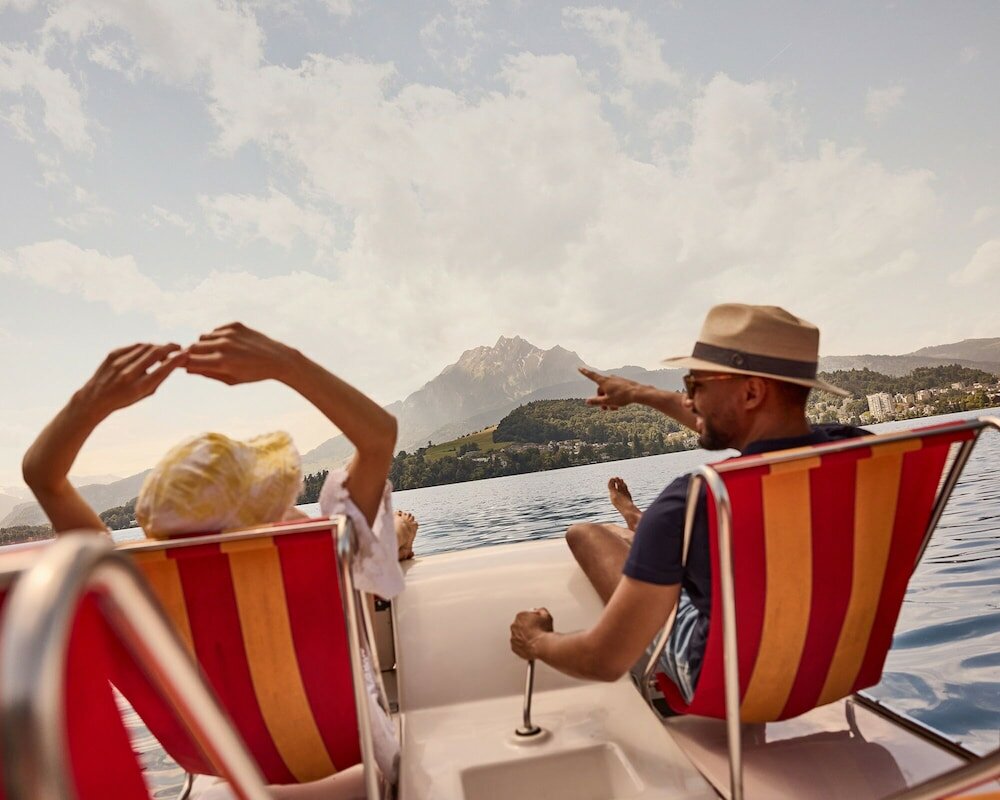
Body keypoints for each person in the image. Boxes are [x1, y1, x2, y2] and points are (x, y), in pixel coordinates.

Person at [22, 322, 410, 800]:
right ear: (268, 513)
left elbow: (44, 475)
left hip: (230, 778)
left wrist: (90, 403)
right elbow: (379, 436)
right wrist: (284, 362)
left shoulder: (130, 588)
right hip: (357, 774)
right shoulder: (321, 549)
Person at [510, 303, 867, 704]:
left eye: (695, 385)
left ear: (751, 392)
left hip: (732, 686)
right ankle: (636, 525)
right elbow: (750, 427)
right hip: (835, 666)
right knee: (659, 538)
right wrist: (640, 393)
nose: (689, 399)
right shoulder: (861, 451)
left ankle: (635, 525)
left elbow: (605, 658)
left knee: (587, 534)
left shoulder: (697, 498)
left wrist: (536, 640)